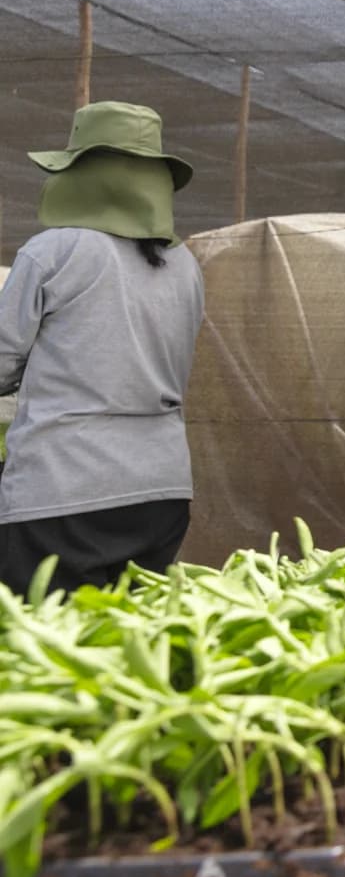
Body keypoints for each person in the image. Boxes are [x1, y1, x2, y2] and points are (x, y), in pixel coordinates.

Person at [0, 102, 204, 593]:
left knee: (43, 651)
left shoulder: (54, 251)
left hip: (63, 489)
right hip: (162, 492)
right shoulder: (186, 266)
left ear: (84, 173)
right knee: (127, 644)